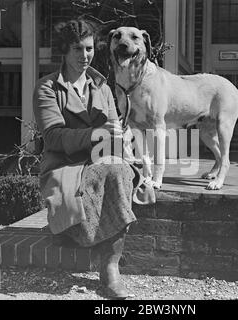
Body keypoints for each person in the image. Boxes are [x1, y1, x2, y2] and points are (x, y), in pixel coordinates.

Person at [33, 17, 155, 299]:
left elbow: (115, 130)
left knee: (118, 171)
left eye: (88, 48)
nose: (84, 56)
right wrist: (97, 134)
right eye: (77, 49)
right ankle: (74, 235)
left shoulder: (101, 85)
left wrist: (122, 142)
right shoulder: (47, 88)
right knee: (111, 173)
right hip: (64, 166)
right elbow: (53, 138)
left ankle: (110, 268)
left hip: (102, 161)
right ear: (64, 50)